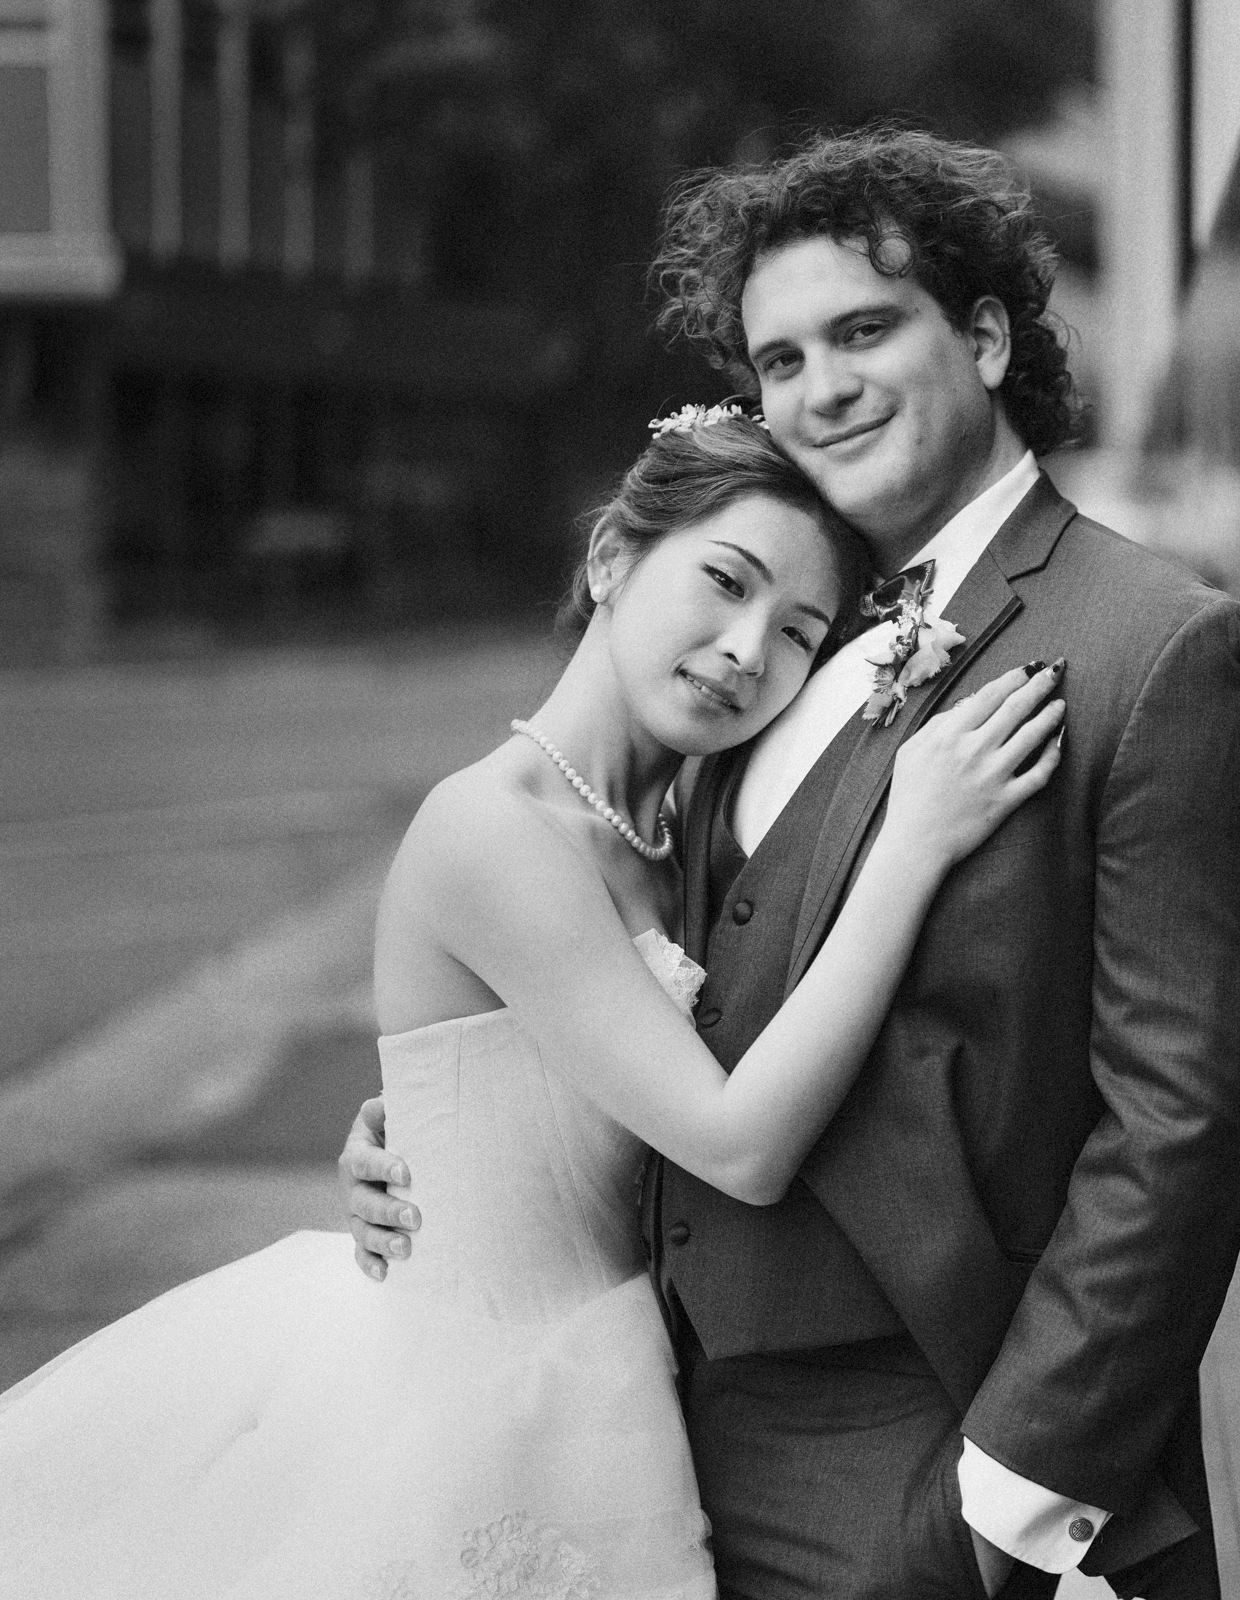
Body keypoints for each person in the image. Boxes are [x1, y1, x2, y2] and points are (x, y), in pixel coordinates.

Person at [345, 129, 1240, 1599]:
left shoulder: (1153, 642)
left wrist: (1024, 1491)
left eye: (862, 331)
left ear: (982, 333)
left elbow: (1185, 1116)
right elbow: (654, 985)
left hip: (938, 1456)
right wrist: (451, 1146)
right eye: (779, 359)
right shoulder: (785, 636)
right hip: (658, 1428)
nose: (819, 387)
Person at [0, 407, 1067, 1596]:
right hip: (469, 1407)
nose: (743, 649)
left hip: (620, 1392)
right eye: (723, 581)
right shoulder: (490, 830)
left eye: (797, 633)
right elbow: (741, 1144)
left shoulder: (690, 831)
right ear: (612, 557)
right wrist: (911, 846)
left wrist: (437, 1115)